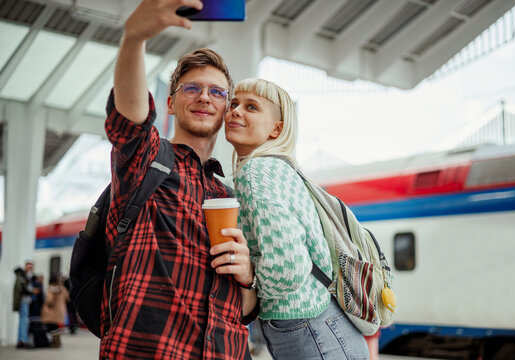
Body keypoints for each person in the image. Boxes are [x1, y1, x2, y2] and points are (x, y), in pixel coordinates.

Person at [99, 0, 257, 358]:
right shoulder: (147, 161)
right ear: (170, 103)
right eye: (192, 88)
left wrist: (247, 276)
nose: (205, 97)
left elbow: (246, 312)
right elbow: (129, 119)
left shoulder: (230, 194)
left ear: (225, 110)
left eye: (217, 92)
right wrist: (133, 39)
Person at [225, 78, 370, 359]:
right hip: (329, 326)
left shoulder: (255, 173)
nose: (236, 111)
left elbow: (287, 267)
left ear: (276, 129)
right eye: (234, 104)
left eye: (251, 107)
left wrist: (249, 287)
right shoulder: (281, 168)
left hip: (310, 333)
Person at [12, 260, 34, 349]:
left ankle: (21, 340)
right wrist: (31, 291)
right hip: (23, 300)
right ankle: (24, 340)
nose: (30, 268)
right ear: (25, 266)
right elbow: (22, 289)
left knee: (22, 320)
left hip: (25, 300)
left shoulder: (26, 276)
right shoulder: (22, 276)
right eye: (28, 266)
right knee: (24, 321)